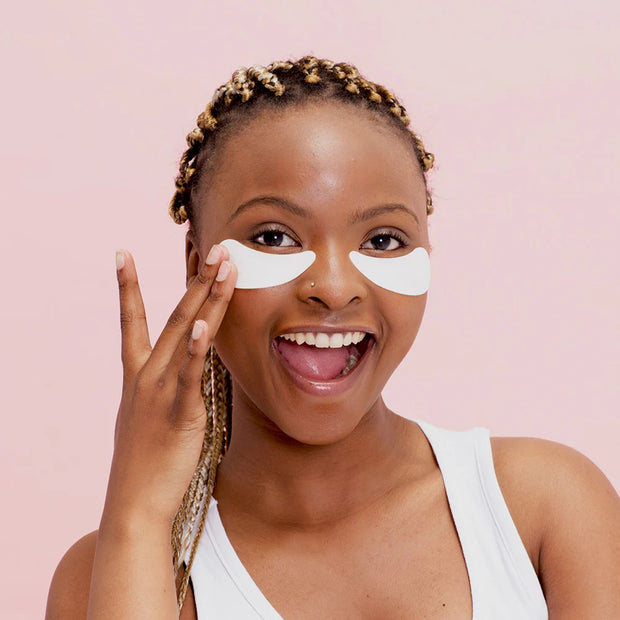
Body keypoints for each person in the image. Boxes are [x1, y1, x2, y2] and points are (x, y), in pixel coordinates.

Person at [46, 56, 619, 620]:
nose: (335, 289)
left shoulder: (546, 508)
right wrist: (139, 515)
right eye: (275, 237)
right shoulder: (109, 571)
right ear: (199, 265)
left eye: (383, 240)